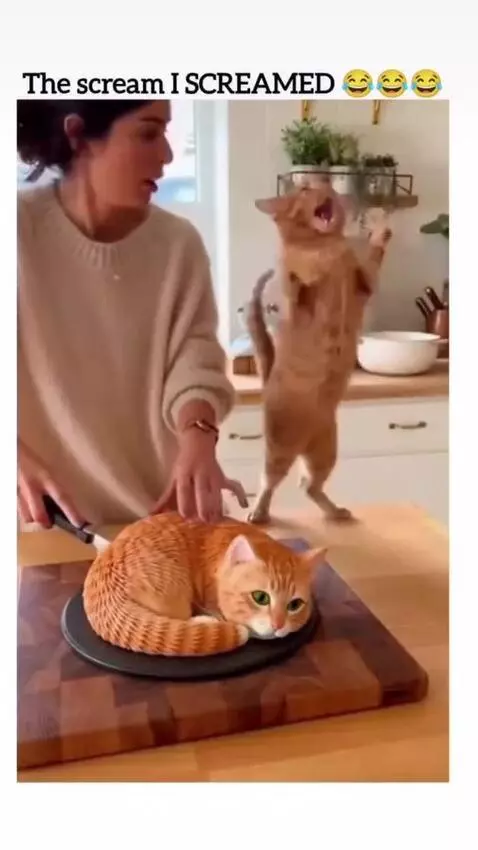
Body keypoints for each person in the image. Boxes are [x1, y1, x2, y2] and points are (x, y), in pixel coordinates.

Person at [17, 99, 246, 528]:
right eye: (148, 133)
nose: (167, 154)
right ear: (77, 134)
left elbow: (194, 357)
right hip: (43, 529)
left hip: (156, 520)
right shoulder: (17, 232)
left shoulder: (178, 246)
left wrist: (198, 438)